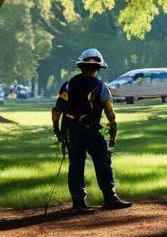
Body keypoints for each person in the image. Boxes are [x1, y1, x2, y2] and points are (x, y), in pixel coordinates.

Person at [51, 48, 132, 212]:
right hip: (93, 131)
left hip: (73, 131)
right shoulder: (101, 86)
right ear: (99, 67)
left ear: (81, 66)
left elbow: (57, 110)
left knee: (75, 165)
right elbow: (110, 114)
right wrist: (112, 133)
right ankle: (110, 198)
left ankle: (79, 202)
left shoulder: (68, 85)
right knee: (103, 162)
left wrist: (57, 129)